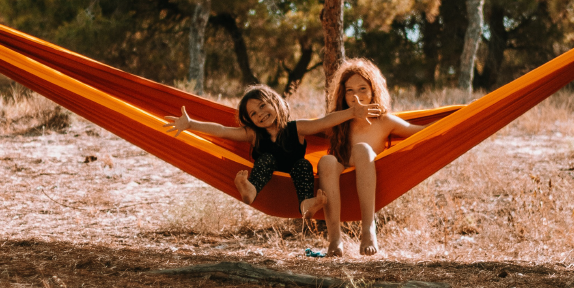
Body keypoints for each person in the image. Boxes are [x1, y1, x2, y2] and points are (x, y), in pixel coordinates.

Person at [164, 85, 382, 218]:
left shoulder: (297, 128)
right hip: (269, 178)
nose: (259, 114)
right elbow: (222, 131)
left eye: (262, 106)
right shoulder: (253, 134)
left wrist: (352, 112)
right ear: (249, 121)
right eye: (253, 114)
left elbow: (325, 121)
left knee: (303, 165)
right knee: (266, 159)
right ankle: (250, 190)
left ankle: (307, 204)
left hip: (294, 175)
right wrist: (191, 125)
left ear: (275, 103)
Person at [318, 59, 424, 257]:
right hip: (340, 178)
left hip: (368, 175)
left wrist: (461, 120)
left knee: (362, 150)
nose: (356, 96)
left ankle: (368, 230)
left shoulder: (384, 120)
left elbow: (419, 131)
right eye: (349, 90)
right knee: (326, 161)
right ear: (342, 93)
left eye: (362, 89)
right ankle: (334, 239)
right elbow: (306, 128)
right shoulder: (338, 119)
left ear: (373, 90)